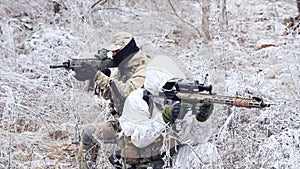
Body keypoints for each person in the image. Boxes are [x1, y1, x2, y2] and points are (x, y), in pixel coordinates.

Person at [117, 55, 214, 168]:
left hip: (170, 158)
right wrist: (164, 118)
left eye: (174, 84)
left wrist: (201, 119)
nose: (172, 88)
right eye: (168, 85)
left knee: (207, 150)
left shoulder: (176, 100)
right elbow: (138, 139)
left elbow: (199, 139)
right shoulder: (138, 100)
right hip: (143, 163)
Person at [76, 32, 150, 169]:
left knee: (126, 158)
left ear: (128, 49)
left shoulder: (145, 68)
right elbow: (109, 94)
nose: (114, 55)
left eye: (117, 51)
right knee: (88, 133)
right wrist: (92, 77)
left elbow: (127, 93)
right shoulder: (121, 67)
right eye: (113, 52)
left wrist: (98, 76)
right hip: (123, 122)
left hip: (141, 127)